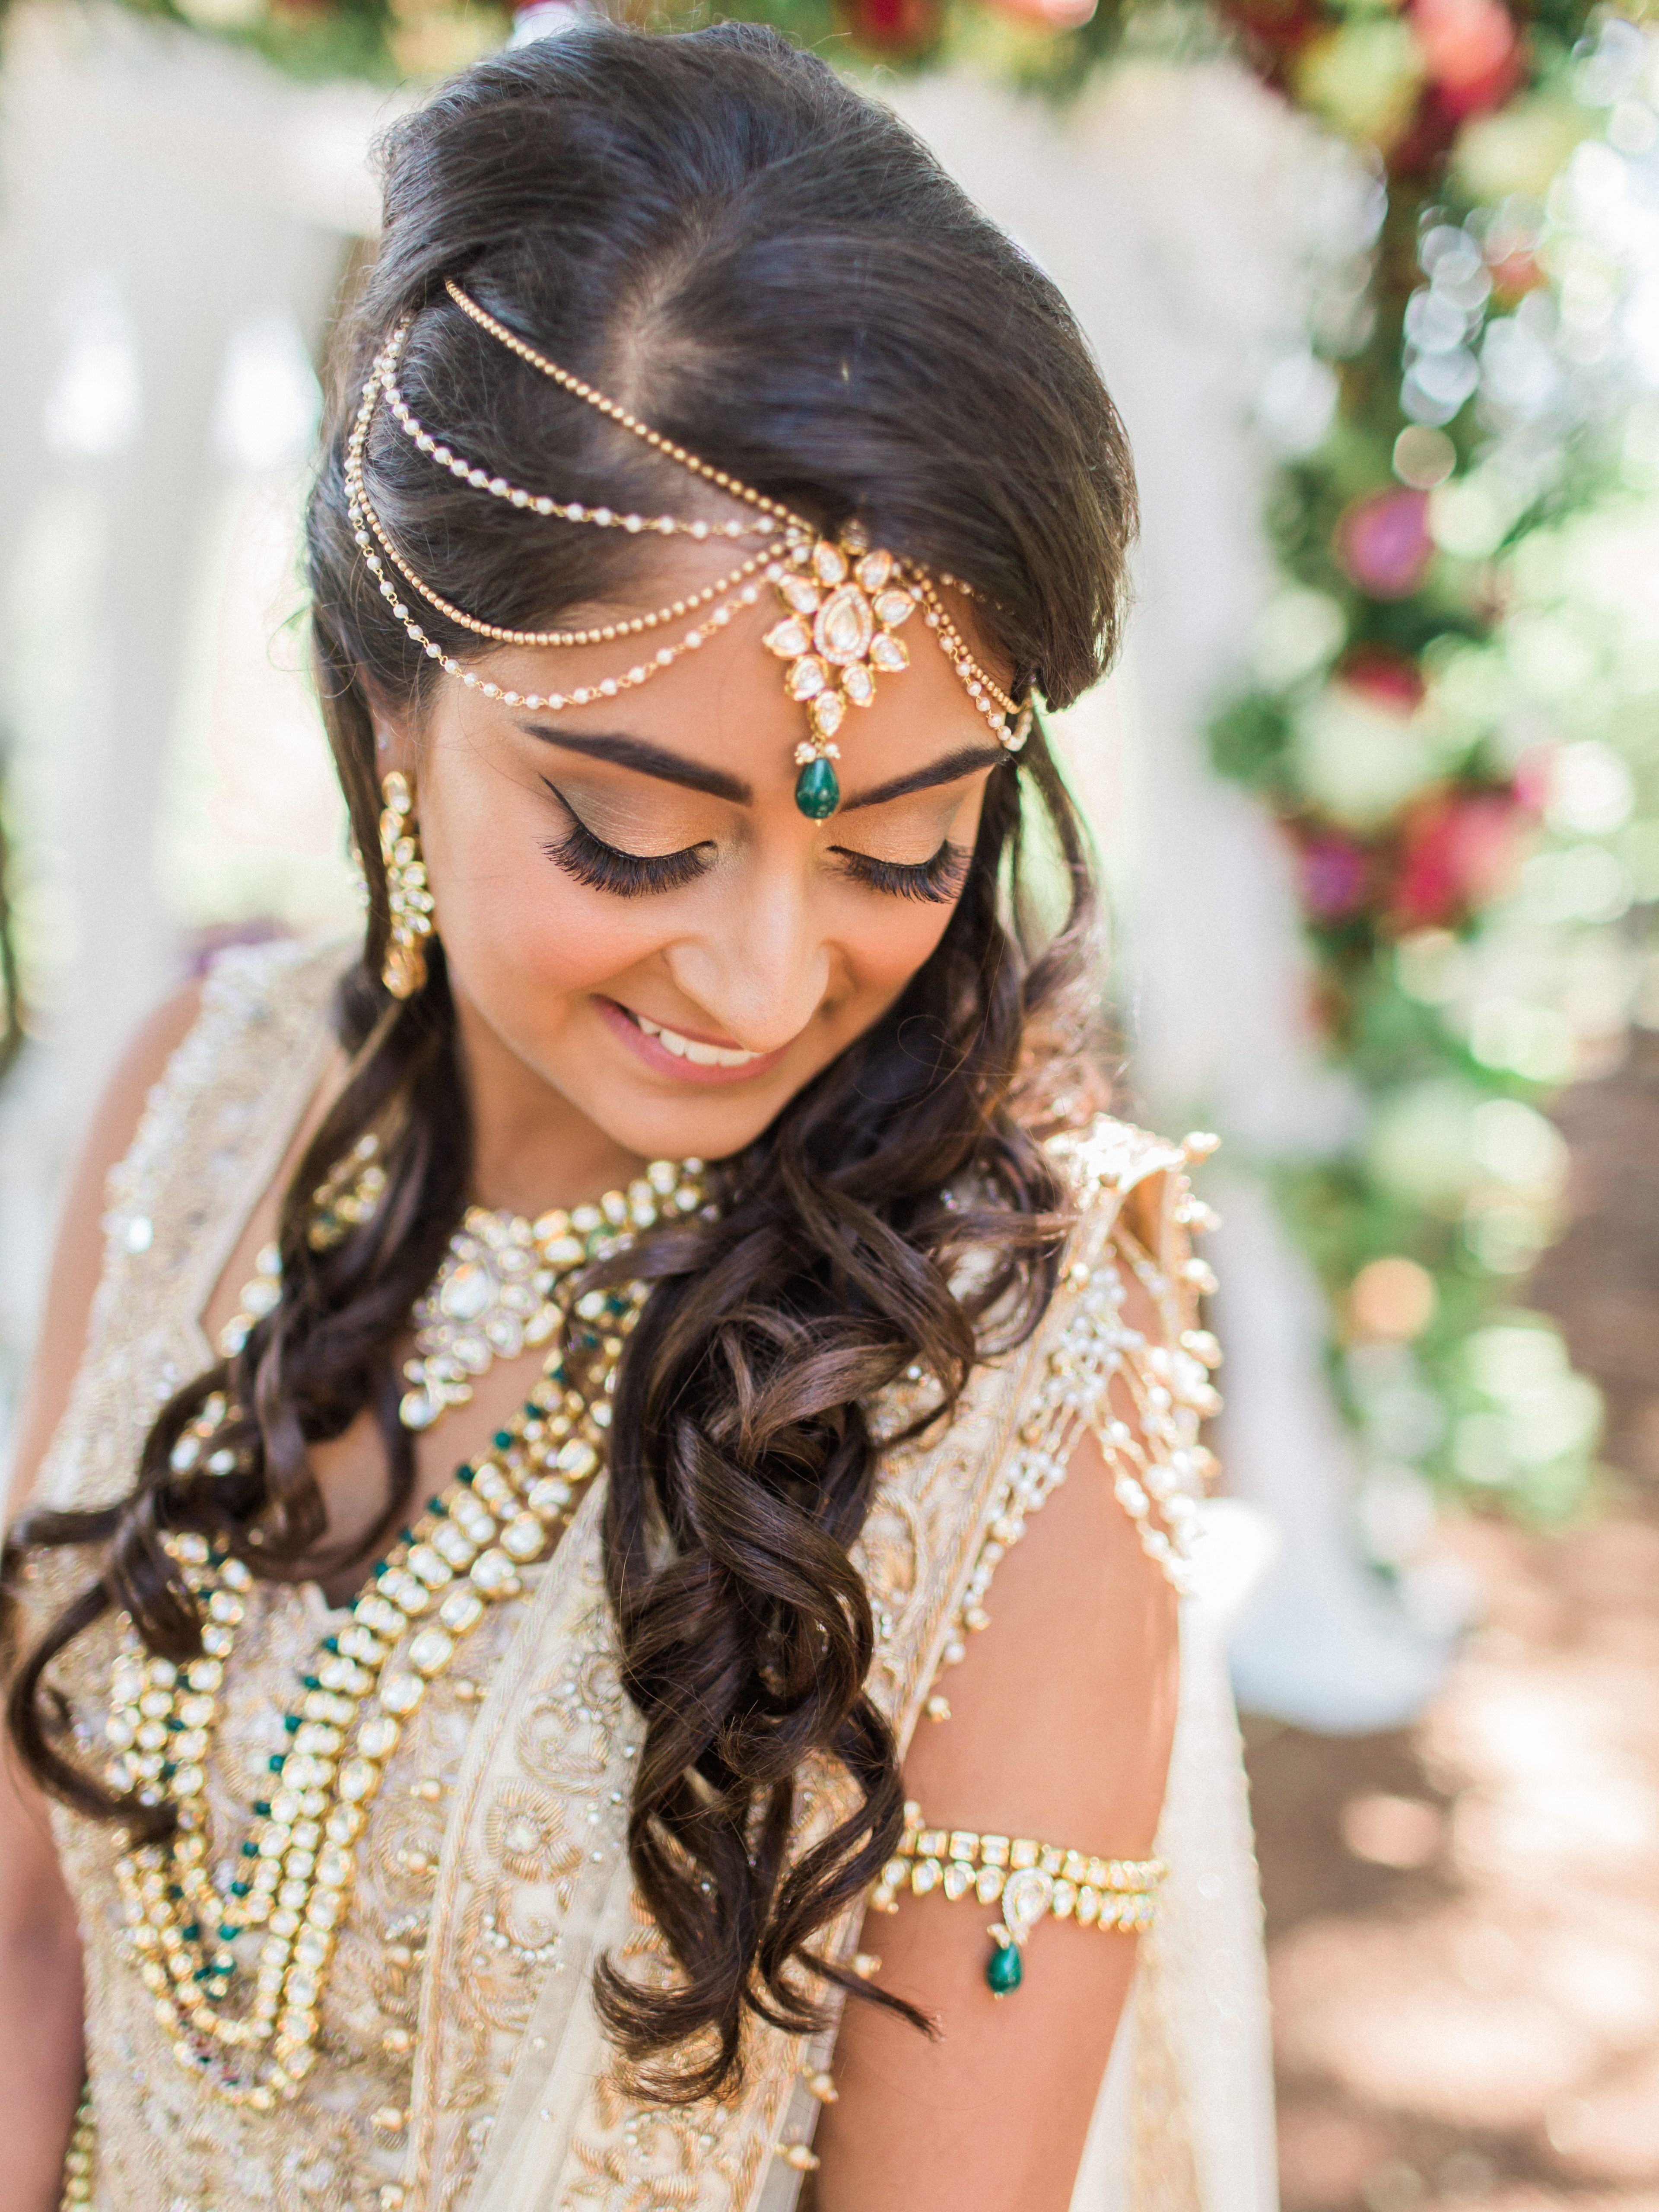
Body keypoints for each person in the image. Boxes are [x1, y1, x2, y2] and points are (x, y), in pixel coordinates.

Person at [0, 24, 1269, 2211]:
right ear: (393, 703)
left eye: (899, 850)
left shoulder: (1030, 1395)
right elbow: (29, 1936)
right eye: (625, 835)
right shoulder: (195, 1108)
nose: (768, 983)